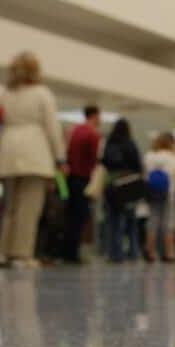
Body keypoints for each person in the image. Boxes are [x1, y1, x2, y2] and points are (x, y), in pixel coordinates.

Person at [0, 52, 65, 269]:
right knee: (29, 206)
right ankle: (22, 254)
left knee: (10, 206)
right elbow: (53, 128)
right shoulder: (42, 93)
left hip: (8, 150)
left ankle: (2, 252)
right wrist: (60, 157)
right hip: (35, 152)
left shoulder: (3, 93)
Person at [100, 118, 143, 262]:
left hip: (113, 184)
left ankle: (115, 254)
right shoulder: (131, 143)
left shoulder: (110, 143)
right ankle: (133, 252)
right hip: (130, 183)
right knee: (131, 221)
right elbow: (138, 164)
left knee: (113, 221)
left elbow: (104, 162)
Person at [64, 106, 101, 264]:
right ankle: (73, 254)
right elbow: (94, 159)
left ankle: (67, 251)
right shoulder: (92, 134)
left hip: (70, 178)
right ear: (95, 115)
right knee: (80, 216)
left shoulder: (74, 131)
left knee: (70, 215)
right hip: (83, 178)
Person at [144, 133, 175, 262]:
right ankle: (169, 252)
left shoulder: (149, 156)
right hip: (168, 191)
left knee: (152, 220)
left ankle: (150, 251)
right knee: (168, 221)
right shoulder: (172, 157)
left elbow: (145, 173)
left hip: (152, 192)